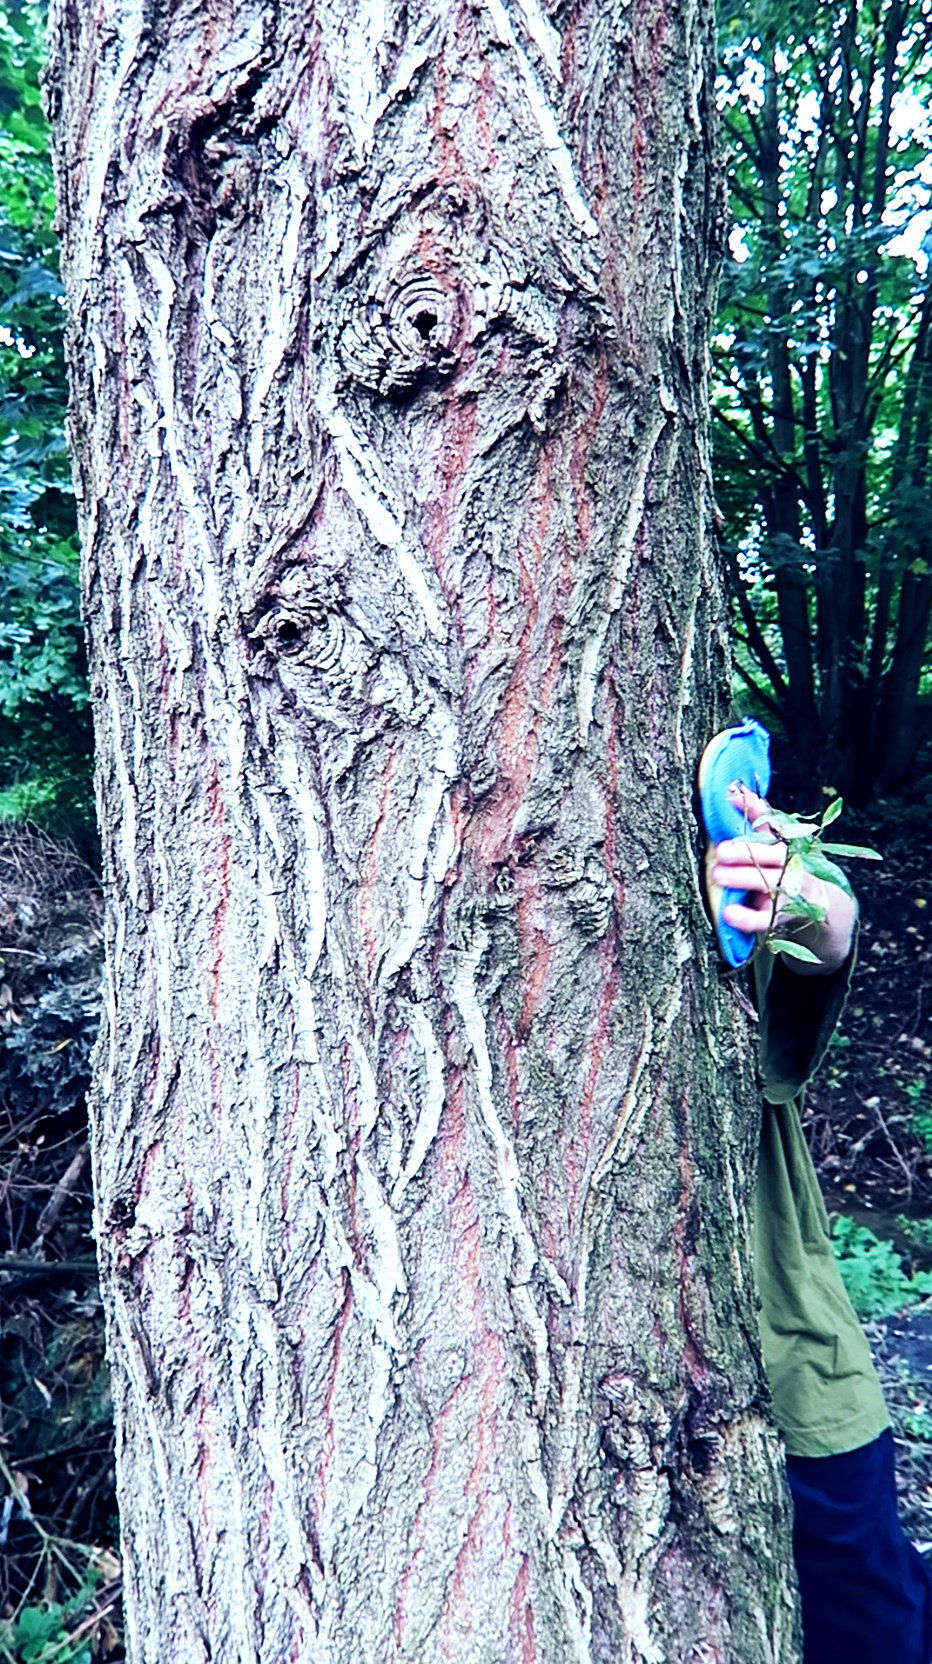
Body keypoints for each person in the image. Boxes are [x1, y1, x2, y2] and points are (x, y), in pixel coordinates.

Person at [708, 773, 932, 1664]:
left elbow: (820, 922)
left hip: (785, 1331)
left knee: (868, 1604)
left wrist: (805, 903)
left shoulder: (711, 827)